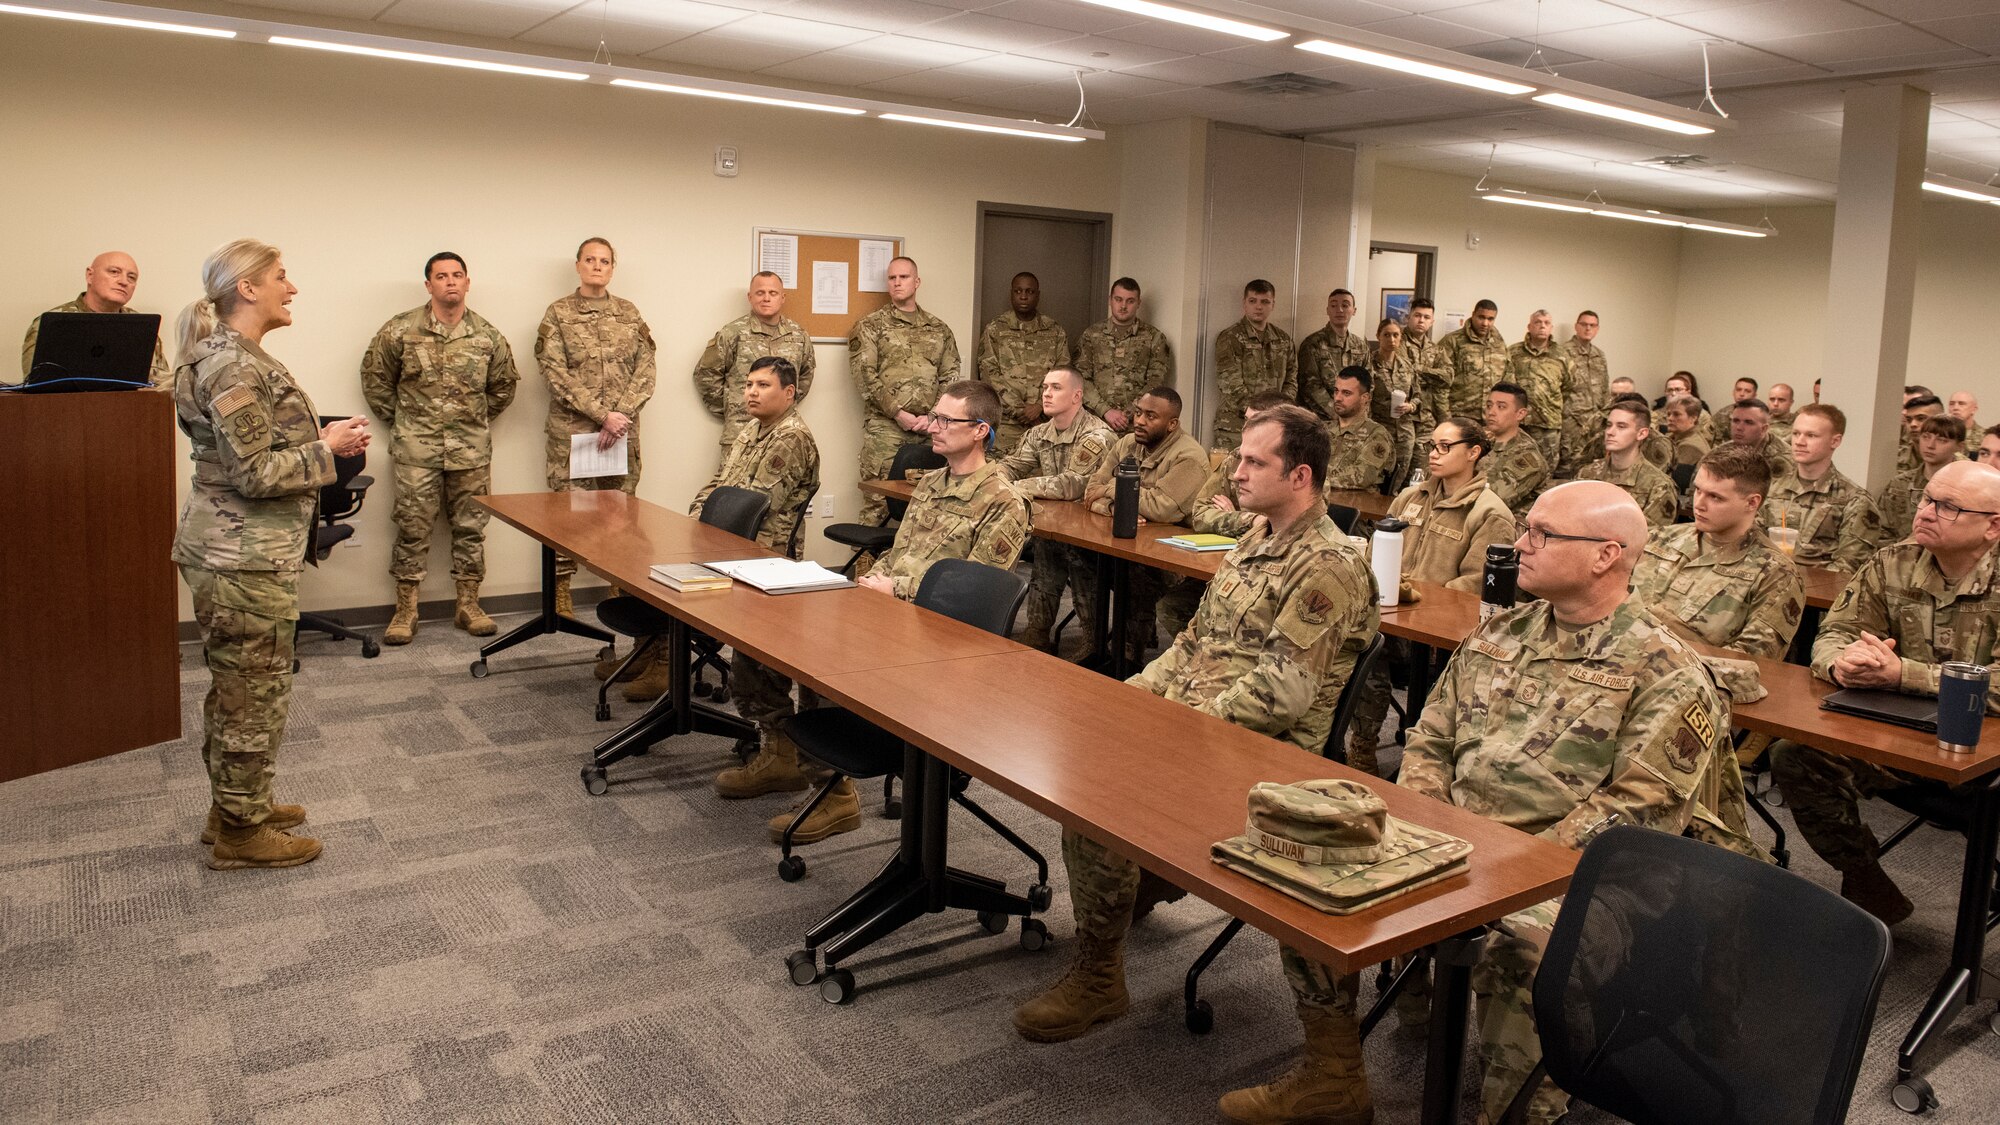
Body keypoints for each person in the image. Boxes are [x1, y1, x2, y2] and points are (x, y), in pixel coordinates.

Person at [1229, 480, 1759, 1125]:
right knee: (1315, 872)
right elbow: (1429, 738)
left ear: (1606, 555)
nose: (1521, 544)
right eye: (1526, 528)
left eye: (1543, 534)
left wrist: (1498, 869)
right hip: (1462, 843)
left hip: (1595, 877)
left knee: (1518, 947)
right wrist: (1426, 828)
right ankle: (1333, 1077)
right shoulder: (1498, 633)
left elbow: (1639, 810)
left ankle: (1518, 1114)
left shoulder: (1666, 669)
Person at [1013, 406, 1377, 1069]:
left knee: (1096, 796)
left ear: (1299, 475)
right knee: (1089, 734)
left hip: (1261, 750)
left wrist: (1166, 732)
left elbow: (1280, 694)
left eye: (1252, 462)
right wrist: (1126, 702)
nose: (1234, 471)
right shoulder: (1256, 538)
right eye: (1237, 457)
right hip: (1195, 720)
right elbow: (1191, 646)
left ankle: (1099, 974)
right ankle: (1141, 872)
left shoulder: (1327, 564)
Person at [171, 239, 371, 870]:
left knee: (238, 689)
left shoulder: (238, 357)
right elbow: (255, 473)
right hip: (241, 558)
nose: (292, 287)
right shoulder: (230, 364)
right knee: (251, 695)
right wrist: (328, 447)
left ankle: (234, 807)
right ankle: (240, 834)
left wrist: (315, 441)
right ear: (247, 289)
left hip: (245, 554)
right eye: (282, 277)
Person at [784, 381, 1028, 845]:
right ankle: (831, 789)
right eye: (933, 417)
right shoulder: (931, 483)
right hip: (890, 614)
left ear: (980, 430)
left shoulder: (1003, 502)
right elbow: (898, 553)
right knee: (806, 649)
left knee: (836, 663)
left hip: (946, 641)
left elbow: (975, 592)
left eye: (944, 420)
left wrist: (893, 588)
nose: (932, 427)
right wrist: (865, 586)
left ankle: (840, 789)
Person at [1772, 460, 2000, 926]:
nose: (1927, 512)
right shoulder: (1892, 561)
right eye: (1926, 498)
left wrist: (1904, 675)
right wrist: (1843, 661)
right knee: (1794, 754)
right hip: (1898, 739)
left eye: (1948, 507)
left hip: (1985, 756)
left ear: (1992, 527)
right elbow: (1834, 631)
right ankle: (1862, 874)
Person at [361, 251, 519, 646]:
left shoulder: (487, 336)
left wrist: (472, 423)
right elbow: (376, 381)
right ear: (428, 285)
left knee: (471, 529)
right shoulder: (399, 331)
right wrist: (404, 424)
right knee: (412, 528)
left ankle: (469, 604)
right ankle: (406, 609)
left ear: (468, 283)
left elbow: (503, 387)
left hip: (470, 451)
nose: (451, 282)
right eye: (442, 276)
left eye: (458, 275)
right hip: (416, 450)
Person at [1344, 416, 1515, 776]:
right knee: (1355, 639)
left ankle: (1419, 758)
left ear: (1473, 452)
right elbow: (1375, 554)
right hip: (1392, 615)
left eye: (1444, 446)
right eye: (1431, 446)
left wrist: (1416, 598)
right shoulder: (1411, 497)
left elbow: (1476, 584)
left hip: (1444, 629)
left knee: (1374, 646)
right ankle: (1361, 744)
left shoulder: (1489, 513)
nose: (1434, 455)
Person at [692, 357, 824, 795]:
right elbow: (718, 485)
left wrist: (706, 532)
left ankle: (782, 758)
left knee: (758, 665)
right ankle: (776, 747)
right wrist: (694, 522)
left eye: (762, 385)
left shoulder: (791, 439)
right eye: (748, 384)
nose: (750, 391)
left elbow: (750, 504)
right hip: (735, 558)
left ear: (788, 393)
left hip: (767, 564)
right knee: (747, 661)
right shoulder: (751, 431)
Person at [536, 237, 656, 617]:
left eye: (605, 261)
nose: (597, 266)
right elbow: (553, 371)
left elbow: (646, 368)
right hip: (574, 434)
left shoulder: (629, 313)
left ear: (612, 268)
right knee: (567, 515)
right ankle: (561, 593)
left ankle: (620, 588)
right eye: (590, 259)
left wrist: (619, 416)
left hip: (621, 435)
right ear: (578, 265)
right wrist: (602, 414)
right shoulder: (558, 313)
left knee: (621, 513)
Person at [1631, 445, 1803, 659]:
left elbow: (1753, 661)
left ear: (1751, 502)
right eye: (1698, 491)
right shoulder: (1659, 538)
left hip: (1689, 682)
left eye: (1715, 497)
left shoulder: (1775, 572)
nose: (1699, 504)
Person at [1083, 386, 1208, 663]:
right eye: (1138, 412)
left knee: (1135, 572)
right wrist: (1115, 507)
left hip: (1173, 559)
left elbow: (1161, 508)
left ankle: (1130, 657)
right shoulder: (1127, 443)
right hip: (1131, 540)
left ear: (1172, 424)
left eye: (1151, 416)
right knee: (1078, 554)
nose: (1139, 421)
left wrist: (1114, 488)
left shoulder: (1189, 457)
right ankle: (1095, 645)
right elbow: (1091, 490)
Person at [998, 366, 1114, 651]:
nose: (1046, 394)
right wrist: (991, 478)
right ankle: (1037, 632)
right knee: (1045, 559)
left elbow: (1073, 484)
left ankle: (1093, 640)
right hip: (1054, 524)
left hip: (1094, 529)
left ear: (1077, 396)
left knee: (1080, 566)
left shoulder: (1097, 435)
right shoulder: (1039, 433)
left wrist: (1017, 487)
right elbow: (1014, 465)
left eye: (1056, 388)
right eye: (1045, 387)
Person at [850, 255, 960, 526]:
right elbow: (865, 376)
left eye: (904, 277)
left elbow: (951, 375)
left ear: (917, 281)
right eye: (892, 278)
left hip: (931, 429)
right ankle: (867, 565)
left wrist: (934, 415)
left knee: (930, 503)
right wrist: (898, 413)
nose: (897, 283)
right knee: (877, 503)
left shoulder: (939, 329)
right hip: (885, 429)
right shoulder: (870, 326)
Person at [693, 270, 815, 453]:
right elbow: (706, 375)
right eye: (760, 293)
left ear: (782, 298)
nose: (766, 298)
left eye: (772, 293)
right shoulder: (732, 333)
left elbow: (804, 376)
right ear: (750, 297)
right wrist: (733, 407)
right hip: (741, 434)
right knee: (733, 483)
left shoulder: (799, 335)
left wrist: (781, 404)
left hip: (785, 434)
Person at [1761, 403, 1885, 573]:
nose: (1799, 442)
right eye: (1796, 433)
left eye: (1811, 435)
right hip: (1765, 585)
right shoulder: (1771, 488)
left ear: (1835, 441)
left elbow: (1848, 567)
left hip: (1818, 594)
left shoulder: (1854, 500)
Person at [20, 250, 171, 387]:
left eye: (131, 278)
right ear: (90, 275)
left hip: (133, 412)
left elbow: (162, 384)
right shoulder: (54, 324)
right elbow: (35, 382)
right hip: (68, 411)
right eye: (114, 272)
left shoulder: (143, 329)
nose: (124, 281)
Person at [976, 271, 1071, 454]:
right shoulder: (995, 329)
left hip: (1046, 423)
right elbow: (989, 374)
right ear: (1011, 294)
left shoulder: (1054, 331)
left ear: (1038, 295)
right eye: (1018, 291)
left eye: (1029, 291)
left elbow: (1064, 373)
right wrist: (1021, 410)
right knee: (1002, 475)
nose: (1024, 296)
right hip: (1006, 424)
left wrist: (1039, 406)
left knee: (1043, 476)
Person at [1075, 277, 1172, 433]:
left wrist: (1129, 412)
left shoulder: (1154, 338)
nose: (1123, 306)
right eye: (1118, 299)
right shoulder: (1092, 335)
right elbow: (1080, 377)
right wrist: (1105, 410)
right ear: (1110, 300)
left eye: (1130, 301)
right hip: (1096, 423)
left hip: (1137, 424)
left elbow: (1156, 382)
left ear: (1138, 303)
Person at [1212, 279, 1296, 453]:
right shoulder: (1230, 338)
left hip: (1274, 425)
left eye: (1265, 302)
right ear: (1244, 304)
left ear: (1273, 304)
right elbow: (1230, 385)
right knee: (1231, 476)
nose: (1259, 307)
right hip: (1236, 426)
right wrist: (1260, 414)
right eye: (1253, 301)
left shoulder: (1283, 339)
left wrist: (1280, 411)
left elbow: (1291, 379)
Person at [1575, 399, 1678, 526]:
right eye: (1609, 425)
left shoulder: (1658, 485)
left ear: (1641, 434)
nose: (1610, 432)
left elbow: (1653, 537)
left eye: (1621, 426)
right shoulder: (1587, 474)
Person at [1877, 413, 1967, 541]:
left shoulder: (1965, 487)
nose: (1930, 445)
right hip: (1899, 557)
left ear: (1960, 446)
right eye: (1925, 437)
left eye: (1942, 440)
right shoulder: (1899, 484)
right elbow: (1881, 531)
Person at [1507, 308, 1573, 470]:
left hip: (1548, 424)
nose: (1542, 326)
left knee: (1546, 469)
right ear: (1529, 326)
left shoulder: (1562, 355)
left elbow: (1568, 385)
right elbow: (1506, 384)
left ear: (1551, 328)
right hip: (1519, 423)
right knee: (1515, 467)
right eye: (1537, 322)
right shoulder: (1514, 352)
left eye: (1546, 323)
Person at [1296, 288, 1367, 424]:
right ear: (1327, 310)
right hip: (1322, 421)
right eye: (1334, 305)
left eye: (1345, 305)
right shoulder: (1313, 343)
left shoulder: (1360, 346)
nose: (1339, 310)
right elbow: (1310, 385)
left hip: (1355, 419)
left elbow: (1368, 383)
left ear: (1354, 310)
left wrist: (1358, 411)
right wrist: (1338, 412)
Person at [1364, 317, 1421, 486]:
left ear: (1401, 337)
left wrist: (1411, 406)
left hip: (1404, 432)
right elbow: (1364, 398)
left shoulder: (1407, 365)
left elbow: (1418, 396)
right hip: (1379, 429)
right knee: (1376, 477)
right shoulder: (1370, 365)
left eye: (1396, 335)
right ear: (1378, 336)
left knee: (1399, 479)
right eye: (1386, 335)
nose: (1391, 339)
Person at [1482, 381, 1549, 518]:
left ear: (1520, 414)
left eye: (1501, 407)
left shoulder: (1528, 459)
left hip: (1504, 529)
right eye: (1489, 406)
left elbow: (1490, 502)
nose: (1491, 412)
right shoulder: (1481, 438)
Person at [1556, 309, 1610, 479]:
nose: (1588, 329)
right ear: (1576, 327)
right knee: (1568, 465)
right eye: (1584, 324)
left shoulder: (1599, 355)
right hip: (1571, 421)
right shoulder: (1563, 352)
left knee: (1591, 464)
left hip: (1595, 421)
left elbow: (1605, 388)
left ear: (1597, 329)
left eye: (1592, 325)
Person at [1434, 299, 1508, 421]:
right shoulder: (1452, 341)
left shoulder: (1499, 344)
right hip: (1460, 416)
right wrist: (1445, 418)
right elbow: (1440, 383)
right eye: (1481, 317)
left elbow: (1507, 380)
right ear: (1473, 315)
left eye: (1490, 319)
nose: (1485, 323)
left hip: (1491, 418)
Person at [1323, 366, 1396, 491]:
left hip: (1356, 505)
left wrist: (1313, 479)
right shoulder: (1322, 429)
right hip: (1317, 501)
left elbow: (1361, 476)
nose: (1338, 398)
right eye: (1336, 391)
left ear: (1365, 398)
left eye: (1346, 393)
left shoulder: (1377, 435)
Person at [1727, 398, 1792, 480]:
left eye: (1748, 422)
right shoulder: (1725, 450)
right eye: (1736, 421)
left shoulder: (1782, 460)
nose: (1739, 427)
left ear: (1764, 429)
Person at [1661, 392, 1711, 470]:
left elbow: (1674, 478)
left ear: (1693, 418)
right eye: (1668, 414)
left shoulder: (1690, 446)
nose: (1670, 418)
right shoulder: (1673, 436)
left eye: (1676, 414)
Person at [1898, 394, 1945, 474]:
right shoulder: (1895, 457)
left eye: (1921, 418)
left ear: (1940, 420)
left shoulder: (1957, 463)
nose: (1913, 424)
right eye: (1909, 420)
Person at [1707, 376, 1759, 445]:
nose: (1742, 394)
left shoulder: (1761, 416)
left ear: (1754, 395)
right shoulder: (1722, 414)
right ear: (1733, 392)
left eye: (1747, 391)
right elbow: (1709, 440)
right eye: (1738, 390)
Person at [1949, 391, 1980, 455]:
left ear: (1974, 409)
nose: (1955, 408)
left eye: (1961, 404)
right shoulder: (1940, 433)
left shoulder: (1985, 437)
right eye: (1951, 404)